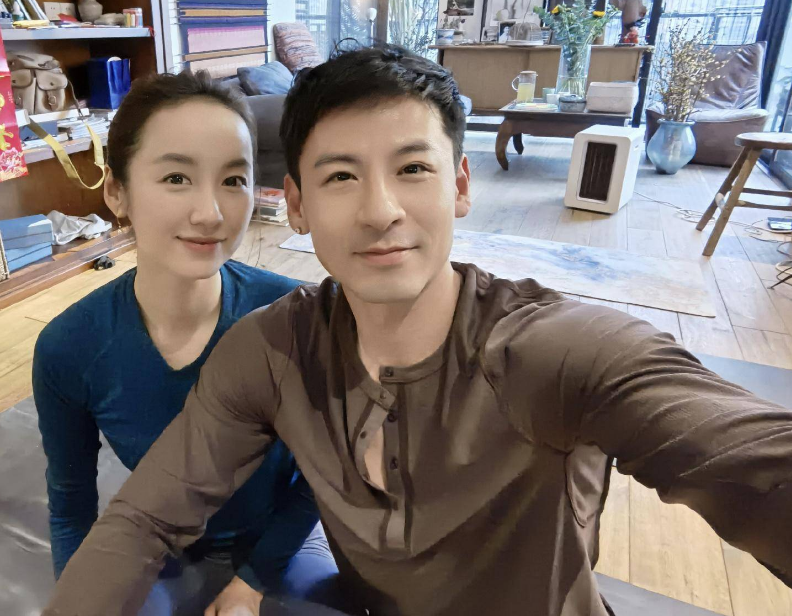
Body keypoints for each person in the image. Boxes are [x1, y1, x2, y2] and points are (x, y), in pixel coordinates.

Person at [44, 46, 792, 616]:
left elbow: (752, 461)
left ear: (460, 184)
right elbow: (144, 516)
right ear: (296, 205)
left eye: (412, 169)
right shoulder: (271, 347)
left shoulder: (554, 351)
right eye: (341, 176)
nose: (380, 211)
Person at [33, 71, 338, 616]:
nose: (210, 213)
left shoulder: (292, 315)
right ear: (117, 192)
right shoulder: (70, 346)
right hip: (158, 546)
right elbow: (71, 505)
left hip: (281, 541)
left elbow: (321, 476)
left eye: (233, 179)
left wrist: (252, 583)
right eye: (176, 177)